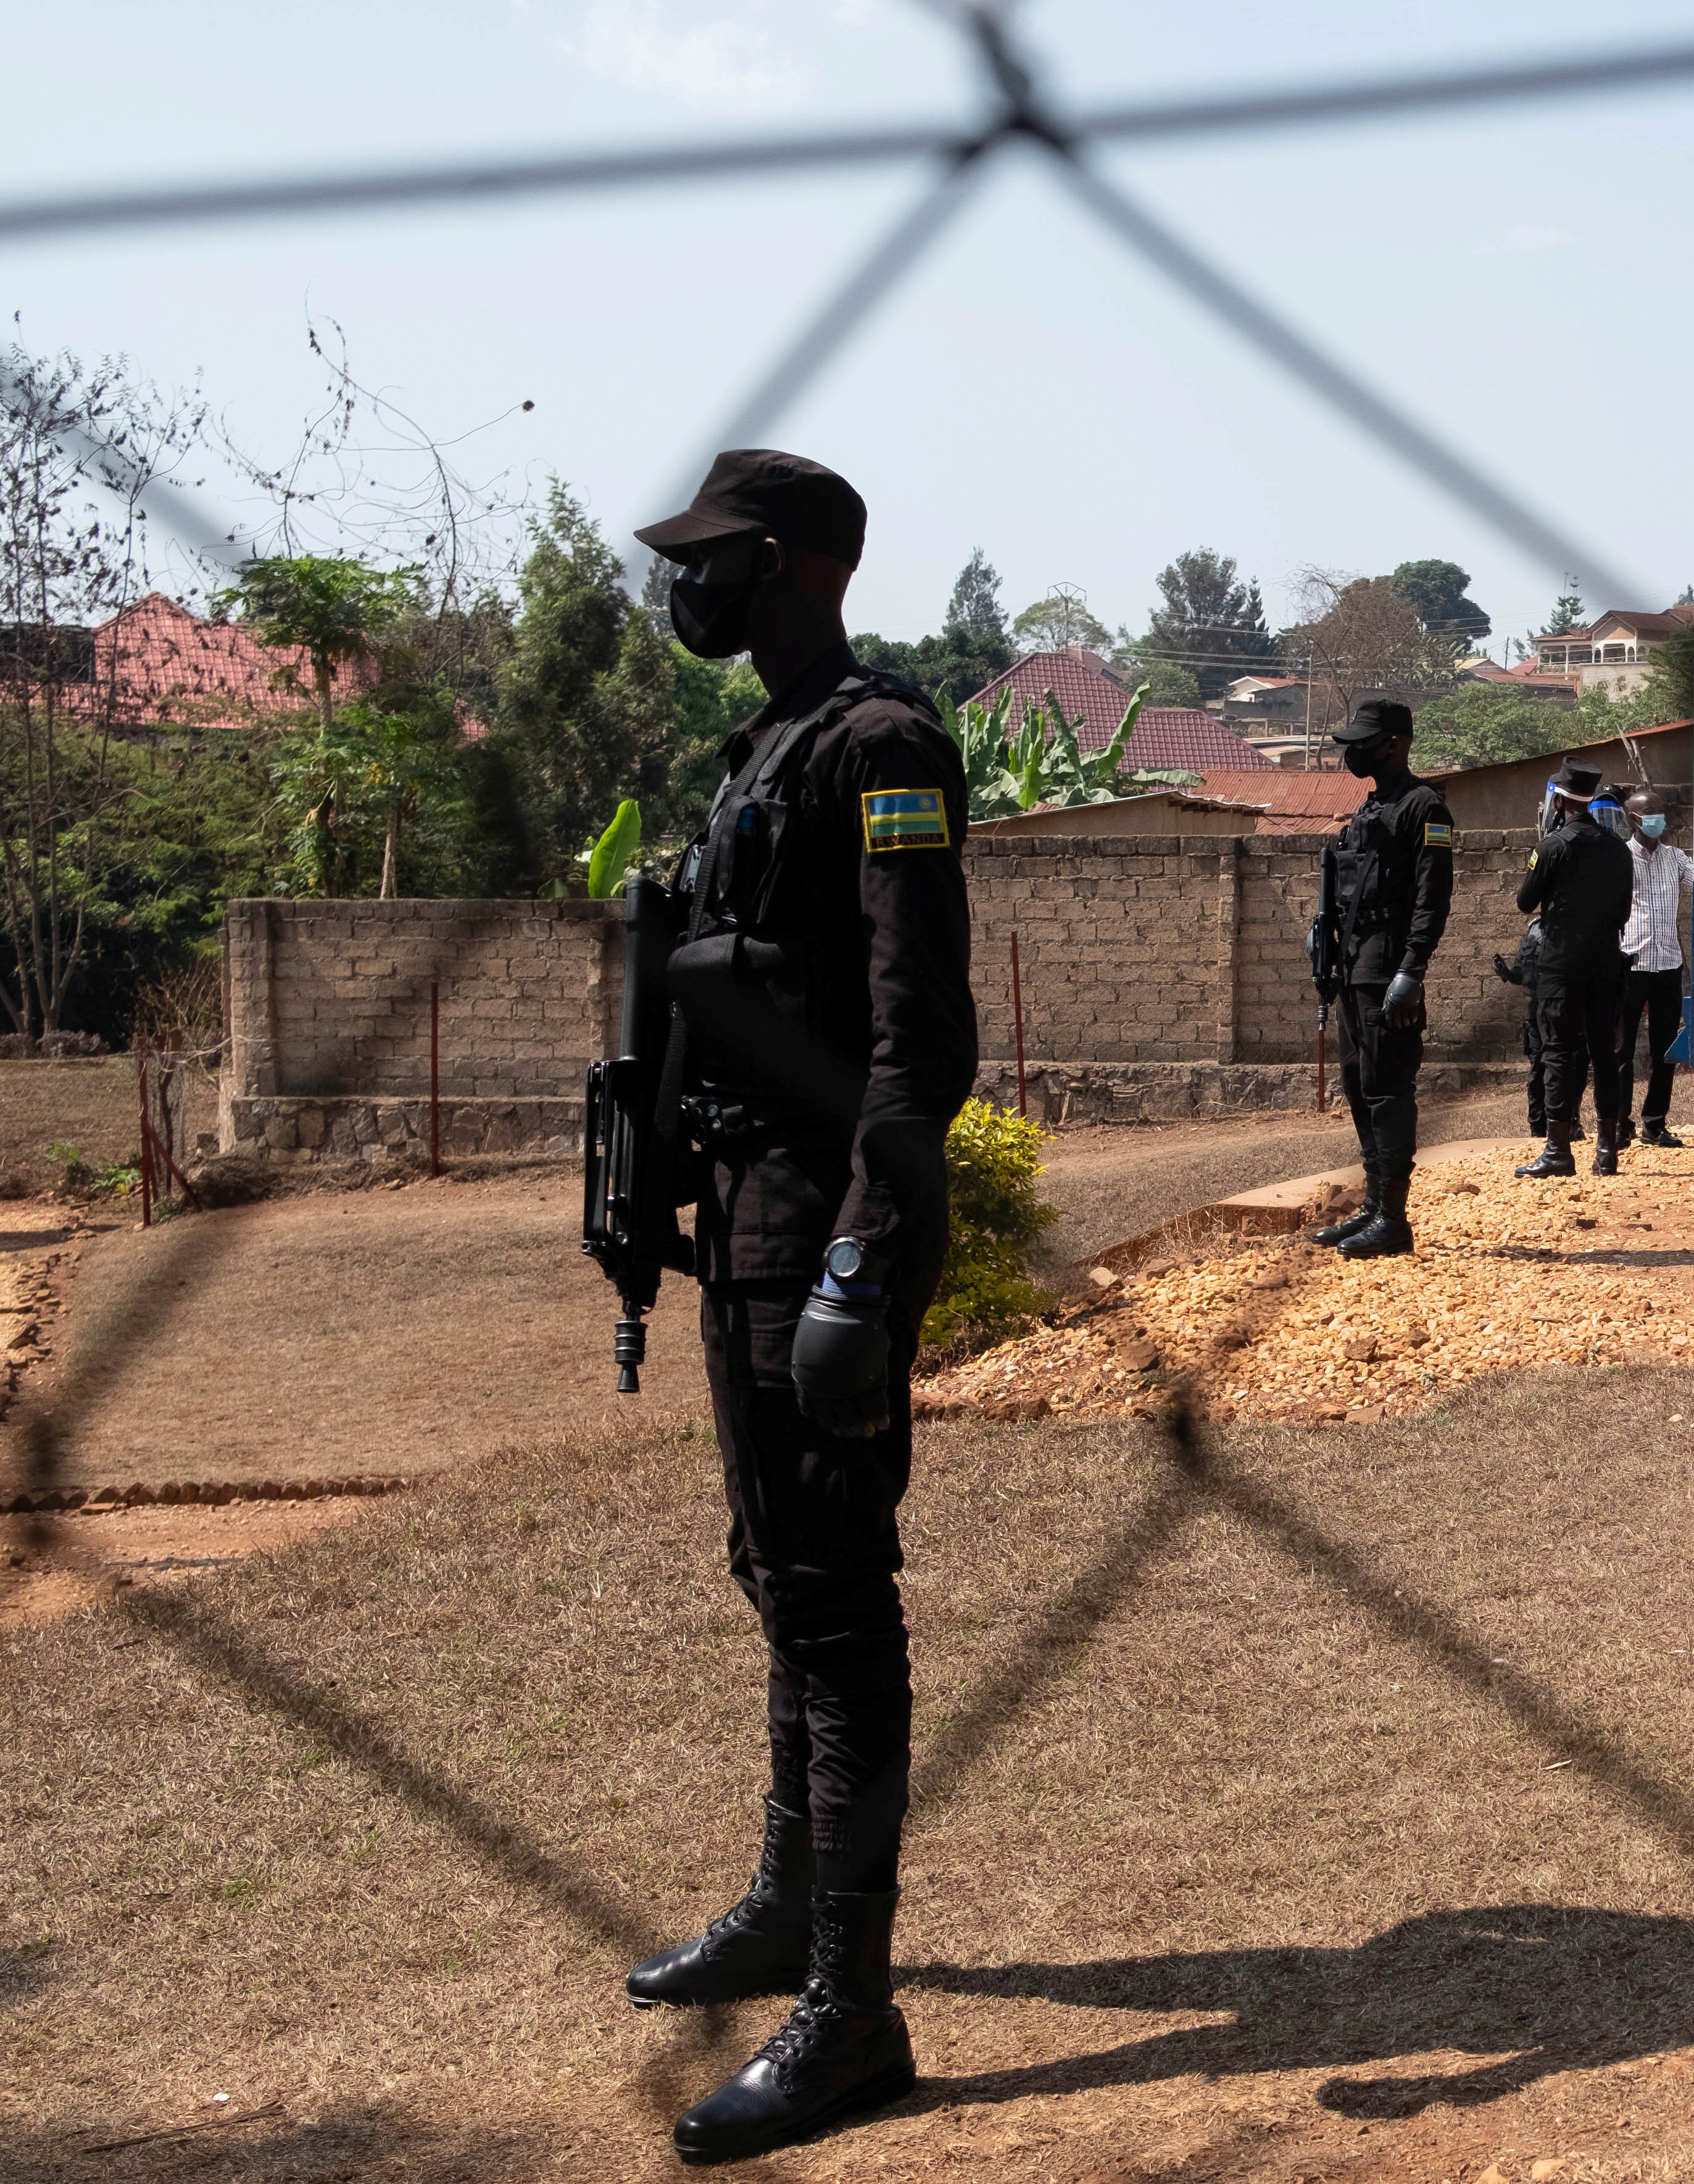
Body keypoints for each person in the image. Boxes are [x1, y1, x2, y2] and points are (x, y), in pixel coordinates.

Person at [618, 449, 974, 2162]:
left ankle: (853, 2007)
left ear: (795, 568)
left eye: (717, 561)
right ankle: (782, 1904)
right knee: (776, 1564)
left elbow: (923, 1040)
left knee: (837, 1598)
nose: (690, 586)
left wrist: (862, 1251)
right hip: (746, 1200)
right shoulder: (757, 749)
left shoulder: (881, 746)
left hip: (828, 1206)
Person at [1309, 699, 1456, 1258]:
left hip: (1389, 967)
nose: (1354, 752)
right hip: (1352, 966)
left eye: (1364, 742)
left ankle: (1394, 1219)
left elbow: (1432, 897)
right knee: (1358, 1084)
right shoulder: (1370, 811)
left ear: (1393, 743)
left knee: (1389, 1088)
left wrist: (1413, 969)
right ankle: (1373, 1206)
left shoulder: (1425, 808)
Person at [1514, 762, 1636, 1177]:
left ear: (1561, 800)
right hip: (1606, 963)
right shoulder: (1619, 848)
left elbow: (1525, 903)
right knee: (1604, 1052)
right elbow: (1623, 911)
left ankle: (1558, 1150)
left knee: (1559, 1053)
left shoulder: (1552, 847)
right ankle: (1606, 1151)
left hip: (1561, 966)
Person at [1613, 786, 1690, 1149]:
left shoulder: (1676, 858)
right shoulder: (1619, 859)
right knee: (1622, 1050)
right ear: (1634, 818)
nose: (1660, 818)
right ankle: (1618, 1123)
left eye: (1662, 811)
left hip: (1668, 965)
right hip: (1631, 963)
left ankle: (1655, 1123)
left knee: (1664, 1049)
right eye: (1651, 812)